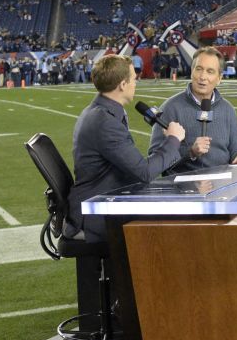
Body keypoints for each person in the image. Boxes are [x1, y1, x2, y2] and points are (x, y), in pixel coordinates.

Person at [67, 54, 186, 243]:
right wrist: (173, 139)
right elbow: (144, 172)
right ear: (122, 84)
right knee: (176, 223)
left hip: (101, 200)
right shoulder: (105, 122)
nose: (135, 82)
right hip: (96, 214)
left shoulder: (100, 111)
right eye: (133, 78)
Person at [148, 46, 237, 171]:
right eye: (199, 69)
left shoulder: (227, 109)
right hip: (183, 186)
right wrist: (190, 152)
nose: (203, 76)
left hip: (221, 184)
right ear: (192, 71)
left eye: (210, 71)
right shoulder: (171, 108)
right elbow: (155, 157)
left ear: (219, 78)